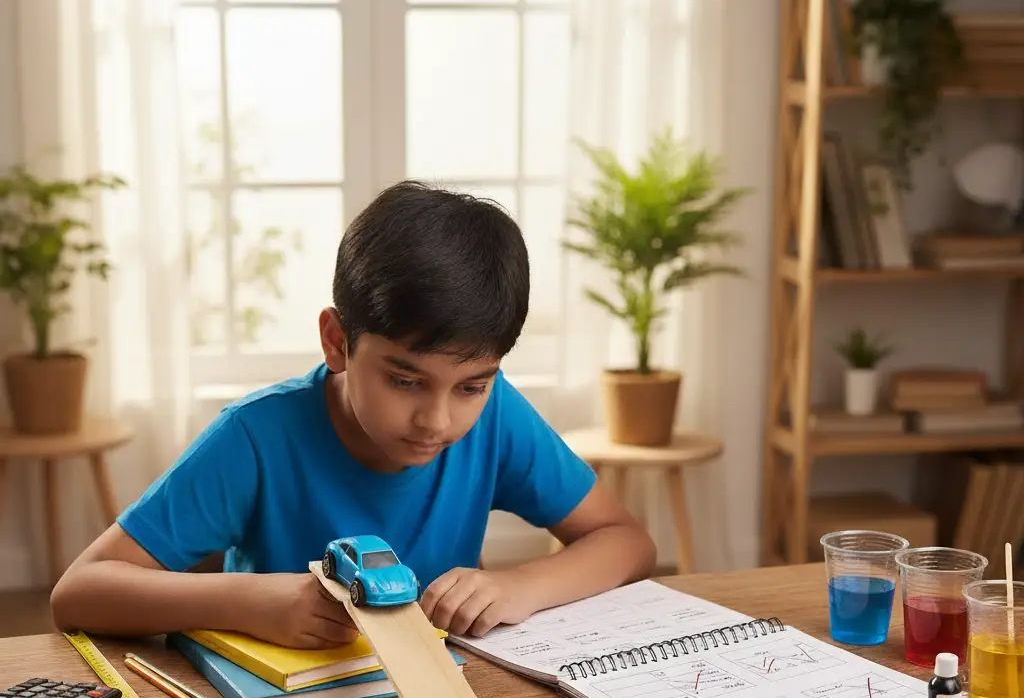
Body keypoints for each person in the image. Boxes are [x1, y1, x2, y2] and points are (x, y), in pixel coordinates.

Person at [50, 181, 657, 649]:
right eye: (404, 380)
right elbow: (78, 593)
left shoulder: (498, 417)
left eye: (471, 385)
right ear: (337, 341)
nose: (436, 421)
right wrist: (252, 602)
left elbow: (626, 541)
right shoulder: (256, 436)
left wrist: (522, 585)